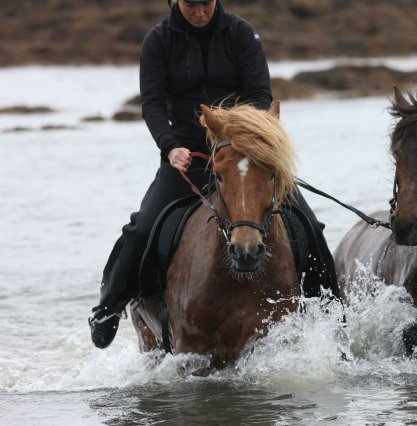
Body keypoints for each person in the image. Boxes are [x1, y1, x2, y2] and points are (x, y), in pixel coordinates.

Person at [89, 0, 337, 349]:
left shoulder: (241, 35)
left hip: (245, 152)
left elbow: (260, 94)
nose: (200, 11)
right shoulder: (158, 41)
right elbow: (153, 104)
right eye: (192, 5)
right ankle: (107, 309)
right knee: (141, 229)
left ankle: (332, 313)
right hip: (189, 156)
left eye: (206, 4)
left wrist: (253, 139)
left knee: (307, 225)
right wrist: (170, 146)